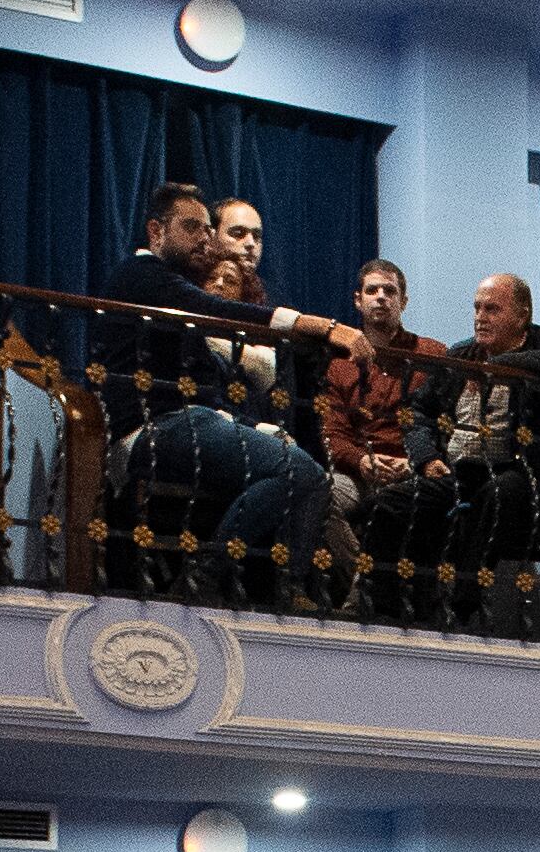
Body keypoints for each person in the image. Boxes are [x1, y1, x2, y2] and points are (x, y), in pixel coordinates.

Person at [88, 179, 370, 588]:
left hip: (187, 423)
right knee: (301, 474)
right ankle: (216, 579)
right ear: (156, 231)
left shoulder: (166, 283)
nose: (204, 238)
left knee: (303, 474)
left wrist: (256, 426)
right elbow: (213, 309)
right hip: (156, 430)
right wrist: (323, 326)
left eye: (207, 229)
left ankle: (261, 585)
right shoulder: (142, 273)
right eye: (192, 228)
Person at [369, 271, 540, 629]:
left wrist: (503, 365)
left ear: (521, 316)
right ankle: (386, 607)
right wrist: (426, 459)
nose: (480, 317)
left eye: (492, 309)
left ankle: (462, 603)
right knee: (393, 502)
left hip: (524, 476)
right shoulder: (460, 355)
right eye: (477, 308)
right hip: (458, 471)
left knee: (498, 493)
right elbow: (416, 413)